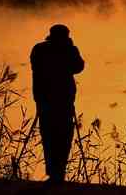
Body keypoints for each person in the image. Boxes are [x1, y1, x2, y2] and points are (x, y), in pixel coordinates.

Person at [30, 24, 85, 184]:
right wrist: (69, 48)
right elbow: (79, 67)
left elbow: (36, 67)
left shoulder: (39, 49)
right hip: (61, 99)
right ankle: (58, 173)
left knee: (48, 135)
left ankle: (53, 172)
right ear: (66, 36)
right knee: (63, 135)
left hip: (45, 99)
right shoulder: (68, 50)